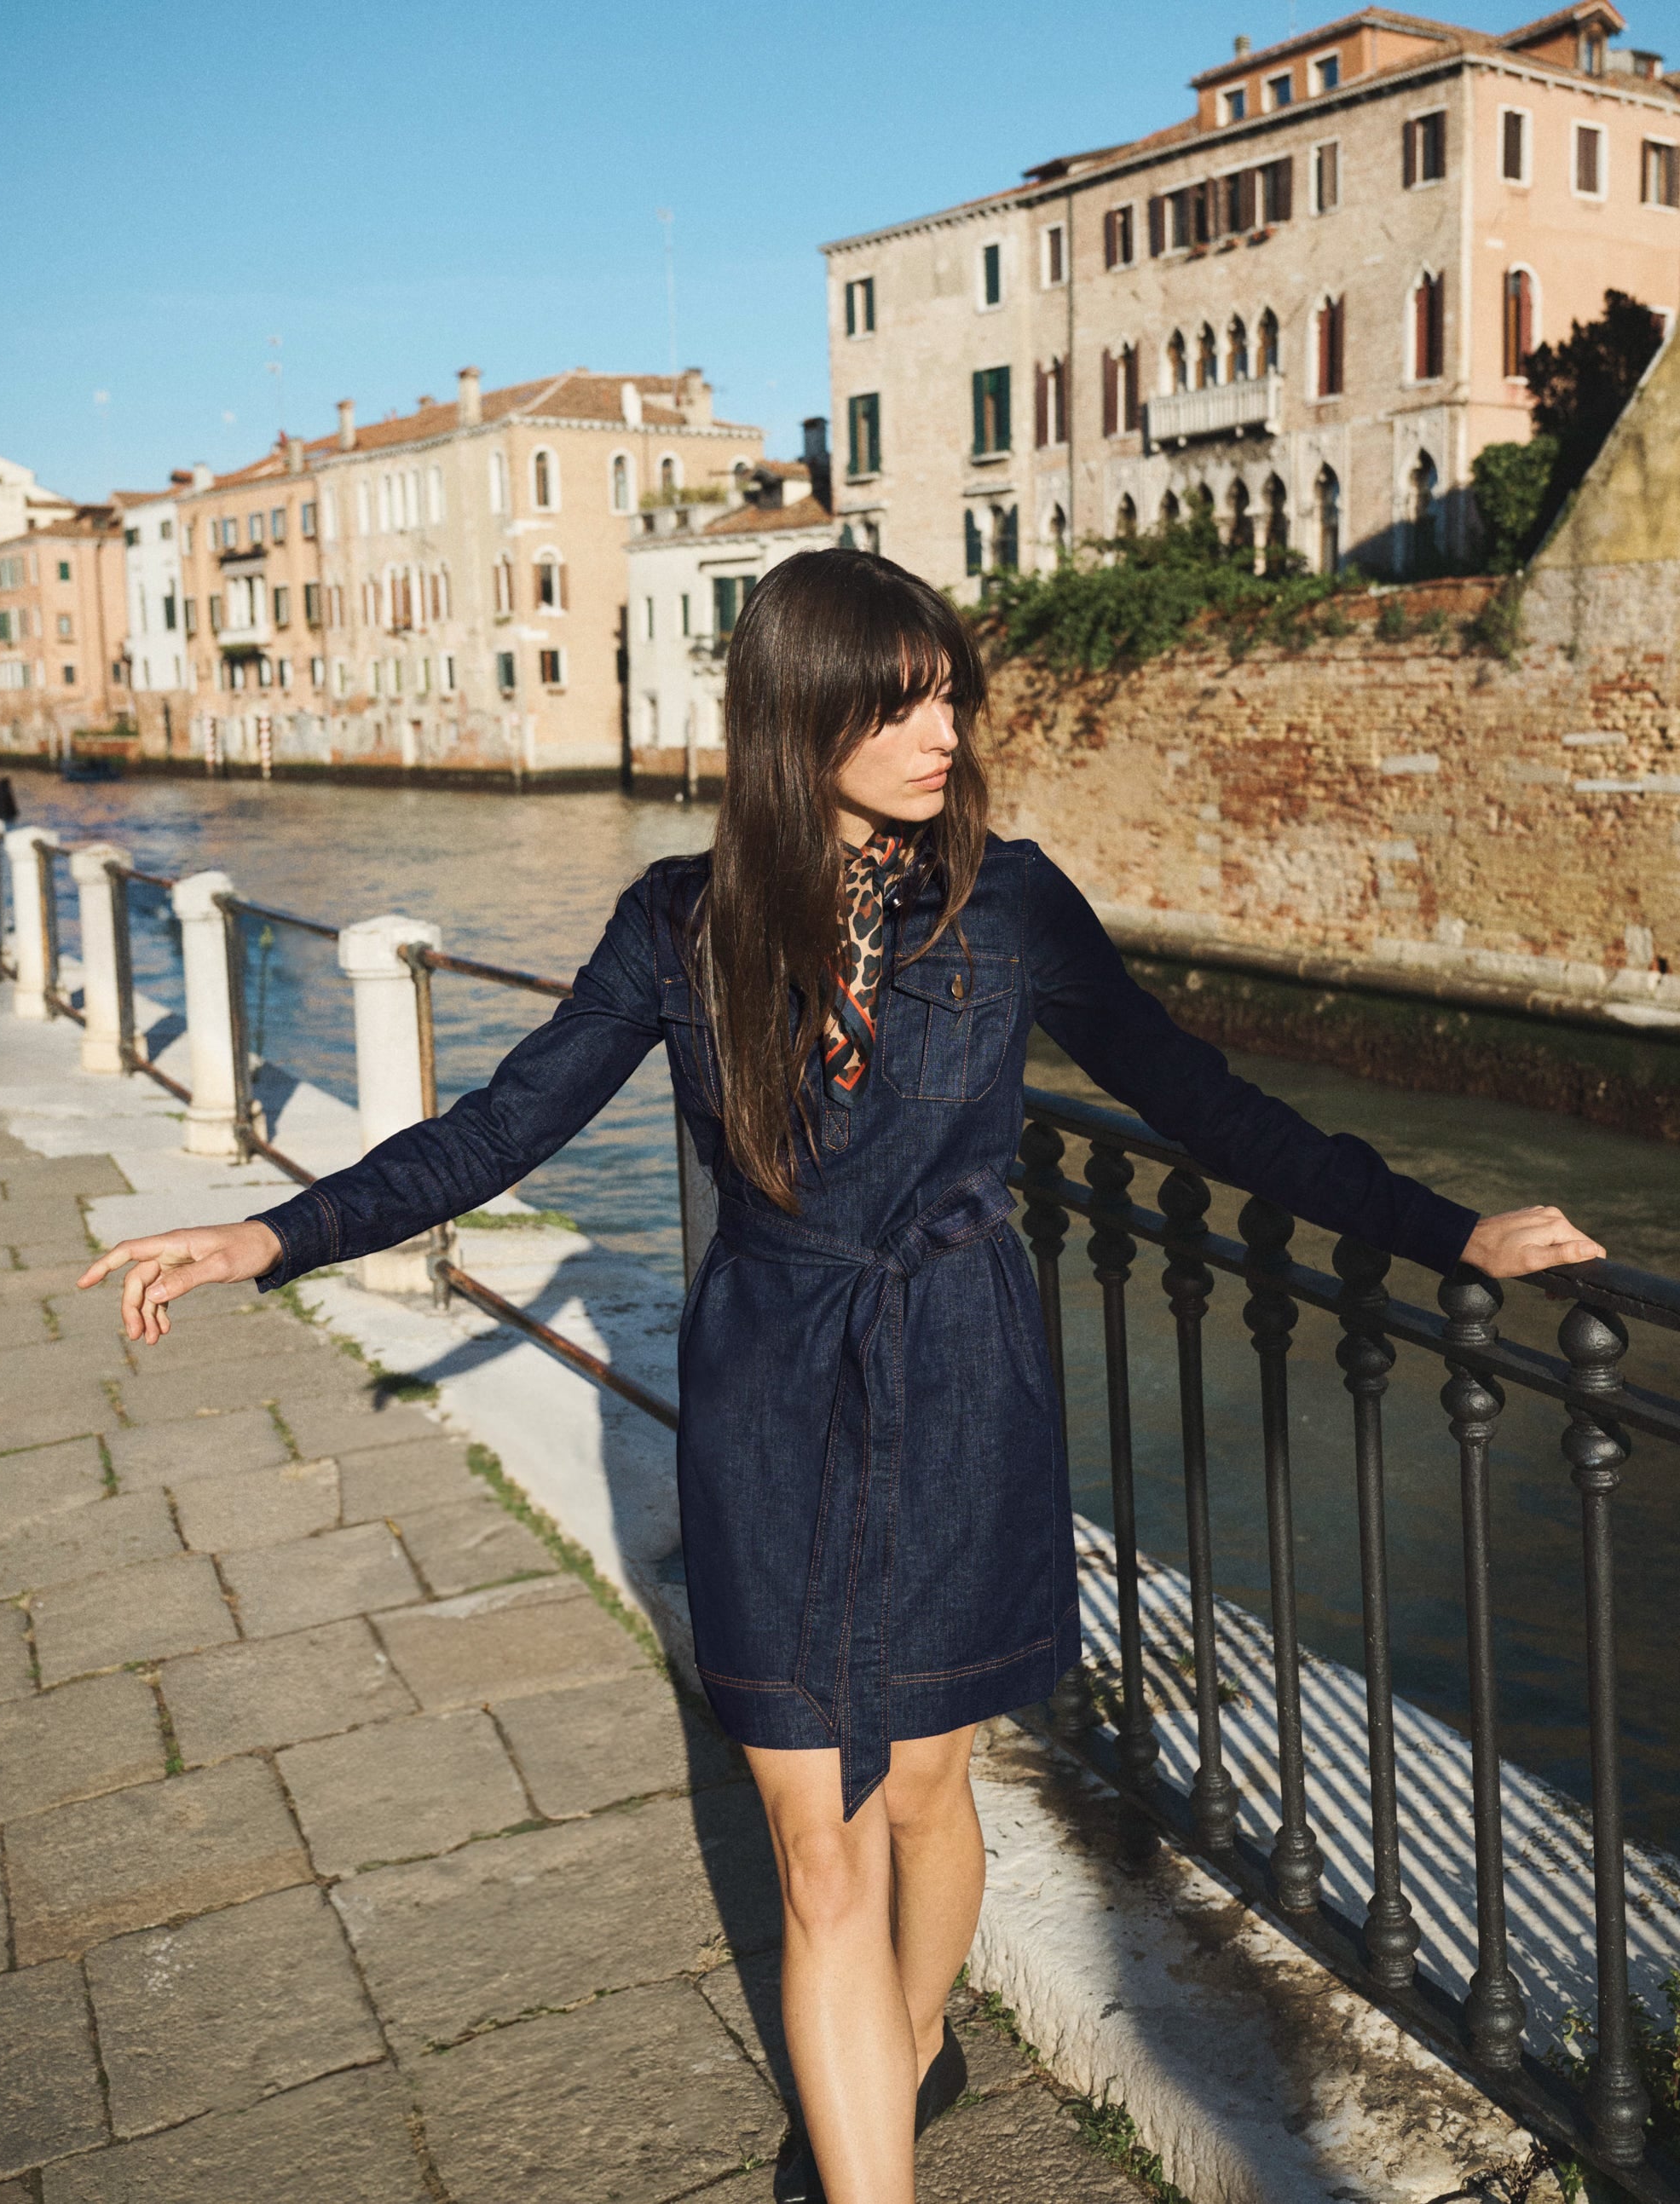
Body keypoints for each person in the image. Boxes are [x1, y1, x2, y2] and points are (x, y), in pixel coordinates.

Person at [79, 550, 1606, 2204]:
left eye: (949, 690)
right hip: (769, 1401)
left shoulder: (1014, 904)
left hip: (961, 1382)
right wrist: (274, 1237)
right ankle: (866, 2127)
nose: (941, 728)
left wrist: (1444, 1228)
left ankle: (912, 2029)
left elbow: (1204, 1103)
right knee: (817, 1854)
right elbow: (501, 1124)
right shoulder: (678, 925)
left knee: (927, 1795)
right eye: (898, 702)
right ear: (798, 719)